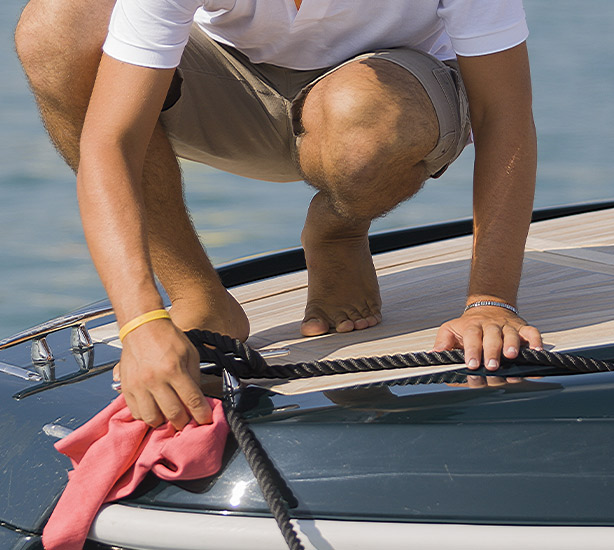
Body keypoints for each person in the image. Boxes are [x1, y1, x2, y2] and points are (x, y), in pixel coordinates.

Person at [14, 0, 543, 430]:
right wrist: (141, 322)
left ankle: (338, 228)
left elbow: (505, 116)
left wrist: (490, 301)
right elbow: (113, 139)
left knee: (365, 119)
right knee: (55, 28)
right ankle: (199, 294)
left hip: (387, 108)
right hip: (234, 93)